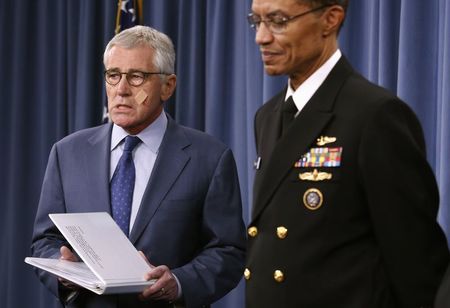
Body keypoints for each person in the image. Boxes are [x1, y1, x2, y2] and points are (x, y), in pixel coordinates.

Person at [244, 0, 450, 307]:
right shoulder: (268, 115)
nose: (261, 37)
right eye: (256, 21)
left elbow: (415, 262)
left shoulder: (375, 115)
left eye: (278, 21)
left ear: (330, 19)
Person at [31, 25, 246, 308]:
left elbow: (228, 250)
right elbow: (45, 240)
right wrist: (64, 270)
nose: (121, 90)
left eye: (136, 77)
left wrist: (179, 283)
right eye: (113, 75)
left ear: (168, 86)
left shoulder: (210, 157)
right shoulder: (68, 153)